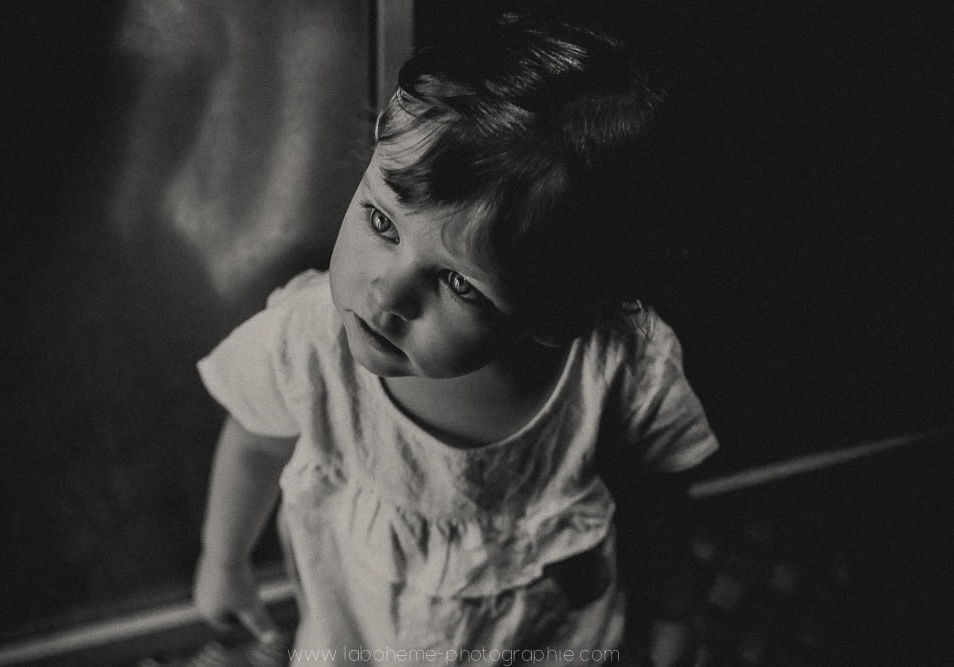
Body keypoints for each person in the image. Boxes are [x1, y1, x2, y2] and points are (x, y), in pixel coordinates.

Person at [193, 12, 718, 666]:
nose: (384, 295)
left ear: (556, 315)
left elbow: (658, 508)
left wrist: (674, 610)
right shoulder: (308, 342)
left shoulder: (622, 372)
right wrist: (224, 560)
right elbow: (251, 445)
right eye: (381, 220)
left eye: (459, 284)